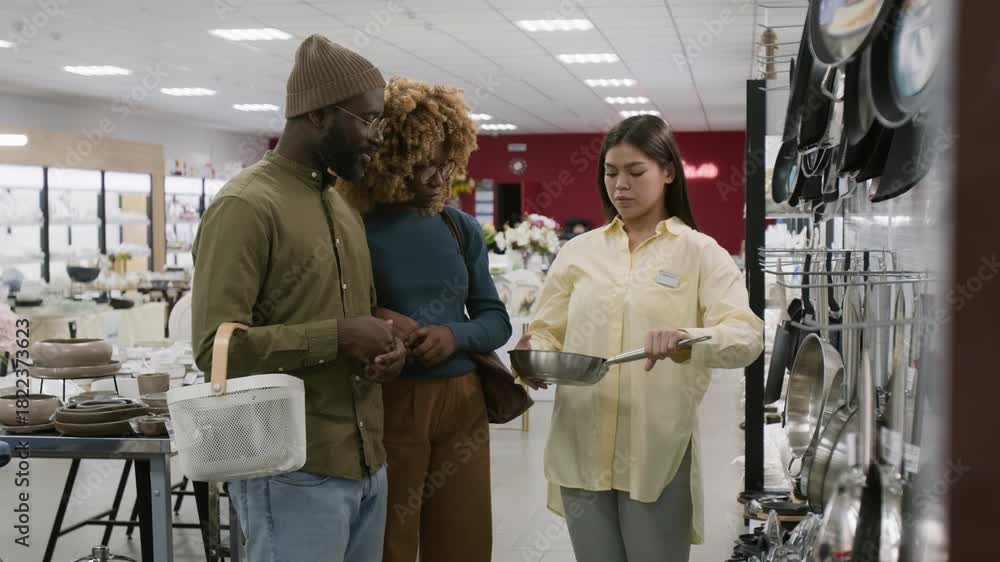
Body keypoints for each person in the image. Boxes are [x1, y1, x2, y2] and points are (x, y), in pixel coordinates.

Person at [191, 35, 407, 562]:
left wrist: (385, 348)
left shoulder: (341, 206)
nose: (376, 137)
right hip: (290, 471)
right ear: (318, 114)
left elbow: (358, 318)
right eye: (367, 120)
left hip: (365, 462)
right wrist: (338, 337)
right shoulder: (246, 205)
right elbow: (216, 349)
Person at [514, 115, 763, 562]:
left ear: (668, 172)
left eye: (635, 172)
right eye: (610, 173)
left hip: (656, 451)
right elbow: (546, 330)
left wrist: (688, 338)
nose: (620, 185)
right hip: (581, 446)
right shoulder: (579, 252)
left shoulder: (700, 252)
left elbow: (746, 336)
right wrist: (535, 354)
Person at [338, 77, 512, 562]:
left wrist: (453, 334)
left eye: (446, 164)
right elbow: (333, 309)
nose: (438, 179)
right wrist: (379, 318)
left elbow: (495, 319)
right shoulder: (354, 228)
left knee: (465, 541)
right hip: (391, 400)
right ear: (390, 159)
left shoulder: (459, 228)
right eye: (422, 165)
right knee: (390, 543)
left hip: (464, 402)